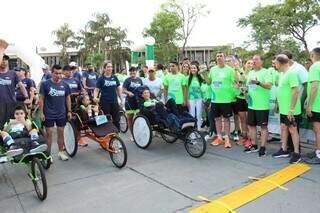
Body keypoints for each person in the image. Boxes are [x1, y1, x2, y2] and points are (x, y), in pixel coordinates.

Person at [39, 64, 72, 161]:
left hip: (61, 113)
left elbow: (68, 98)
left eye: (60, 73)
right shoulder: (45, 84)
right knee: (49, 134)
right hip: (48, 113)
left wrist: (69, 111)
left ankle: (60, 152)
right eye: (56, 73)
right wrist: (41, 113)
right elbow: (41, 99)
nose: (58, 75)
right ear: (52, 73)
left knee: (61, 133)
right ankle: (48, 155)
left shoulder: (65, 85)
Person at [272, 54, 301, 164]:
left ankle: (297, 153)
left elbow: (295, 91)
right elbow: (281, 91)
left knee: (293, 130)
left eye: (275, 63)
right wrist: (277, 104)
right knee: (283, 128)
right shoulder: (281, 74)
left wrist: (291, 110)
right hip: (283, 109)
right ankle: (284, 149)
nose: (274, 65)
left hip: (291, 110)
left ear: (280, 63)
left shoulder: (291, 73)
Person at [203, 52, 236, 148]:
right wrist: (204, 74)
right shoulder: (213, 70)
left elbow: (235, 83)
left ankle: (227, 139)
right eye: (217, 56)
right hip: (215, 100)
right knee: (217, 119)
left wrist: (234, 92)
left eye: (221, 56)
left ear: (224, 58)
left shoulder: (230, 70)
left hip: (226, 100)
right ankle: (219, 137)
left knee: (226, 120)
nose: (219, 57)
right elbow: (209, 83)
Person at [282, 50, 308, 153]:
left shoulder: (299, 68)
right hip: (285, 105)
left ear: (287, 59)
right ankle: (288, 148)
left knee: (293, 129)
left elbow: (306, 85)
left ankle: (296, 151)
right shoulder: (284, 69)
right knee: (285, 127)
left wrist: (301, 102)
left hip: (295, 104)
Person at [245, 55, 272, 156]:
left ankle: (263, 147)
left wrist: (258, 83)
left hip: (262, 105)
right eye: (253, 59)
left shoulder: (266, 72)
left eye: (256, 59)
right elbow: (248, 87)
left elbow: (269, 86)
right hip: (251, 105)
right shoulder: (251, 72)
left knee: (263, 127)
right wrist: (245, 92)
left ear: (262, 61)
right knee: (251, 126)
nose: (254, 61)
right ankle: (254, 145)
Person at [0, 40, 30, 130]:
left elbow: (21, 86)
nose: (4, 61)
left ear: (8, 61)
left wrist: (27, 97)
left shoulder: (13, 74)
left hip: (11, 104)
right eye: (2, 59)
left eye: (5, 60)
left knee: (11, 126)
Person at [94, 62, 124, 130]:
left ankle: (117, 134)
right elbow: (96, 90)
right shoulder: (101, 78)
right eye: (108, 67)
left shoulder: (115, 77)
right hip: (105, 102)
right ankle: (107, 134)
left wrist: (121, 99)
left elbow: (118, 89)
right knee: (106, 118)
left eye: (111, 67)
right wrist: (95, 97)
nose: (110, 68)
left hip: (114, 101)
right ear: (104, 68)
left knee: (116, 119)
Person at [305, 47, 320, 164]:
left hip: (317, 105)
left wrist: (309, 105)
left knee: (317, 130)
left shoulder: (315, 66)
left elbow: (314, 86)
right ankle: (317, 151)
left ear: (313, 55)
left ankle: (318, 154)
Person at [235, 60, 252, 146]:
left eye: (251, 63)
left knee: (249, 120)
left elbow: (246, 79)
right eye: (248, 63)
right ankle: (244, 136)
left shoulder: (252, 73)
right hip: (240, 98)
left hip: (249, 98)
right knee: (242, 119)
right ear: (244, 64)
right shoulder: (238, 72)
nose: (250, 65)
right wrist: (237, 84)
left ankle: (250, 138)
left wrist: (239, 70)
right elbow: (237, 82)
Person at [123, 66, 143, 137]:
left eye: (134, 71)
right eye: (131, 71)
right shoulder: (127, 80)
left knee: (139, 117)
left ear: (136, 72)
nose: (132, 72)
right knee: (130, 118)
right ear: (129, 72)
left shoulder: (140, 80)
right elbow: (123, 90)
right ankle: (132, 135)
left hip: (138, 102)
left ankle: (139, 133)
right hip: (129, 102)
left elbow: (142, 89)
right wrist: (128, 93)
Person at [187, 61, 203, 130]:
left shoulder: (200, 78)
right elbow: (186, 90)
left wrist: (203, 99)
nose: (193, 69)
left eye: (194, 68)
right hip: (191, 99)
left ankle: (199, 129)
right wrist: (187, 99)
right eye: (191, 68)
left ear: (197, 69)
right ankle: (192, 130)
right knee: (192, 115)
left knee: (199, 115)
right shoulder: (187, 78)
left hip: (199, 99)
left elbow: (203, 89)